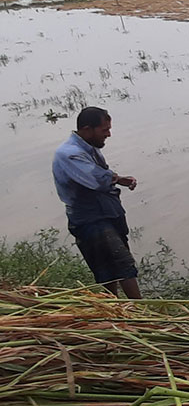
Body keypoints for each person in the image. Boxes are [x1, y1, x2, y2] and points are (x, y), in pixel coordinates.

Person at [52, 107, 141, 298]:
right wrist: (118, 179)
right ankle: (143, 314)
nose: (108, 134)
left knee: (112, 265)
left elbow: (102, 176)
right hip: (90, 218)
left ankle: (115, 309)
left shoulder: (89, 149)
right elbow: (96, 179)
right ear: (87, 129)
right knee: (120, 265)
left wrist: (119, 179)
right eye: (104, 130)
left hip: (106, 212)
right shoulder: (68, 153)